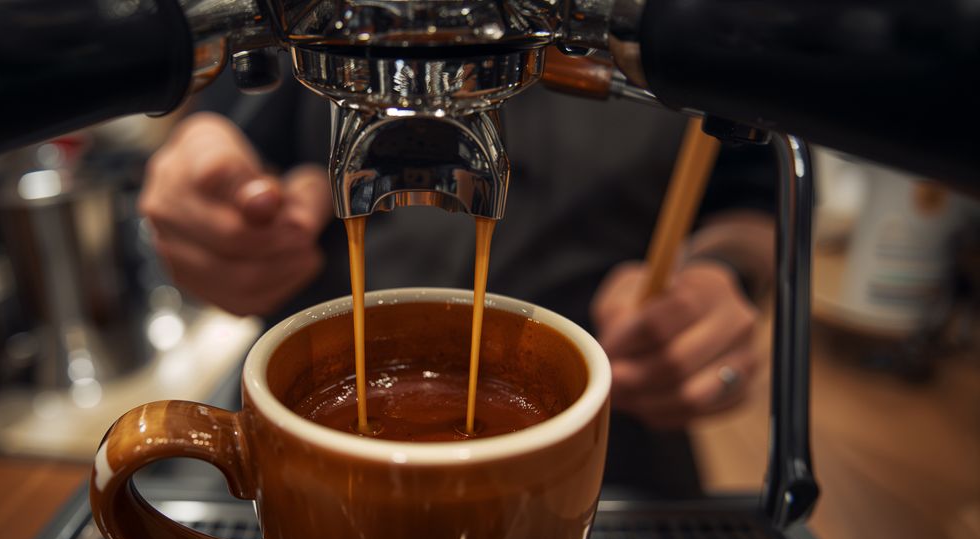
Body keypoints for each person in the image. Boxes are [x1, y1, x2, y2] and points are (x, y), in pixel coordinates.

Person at [138, 71, 778, 497]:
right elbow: (227, 112)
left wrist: (719, 274)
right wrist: (208, 186)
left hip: (614, 433)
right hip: (310, 427)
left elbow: (752, 196)